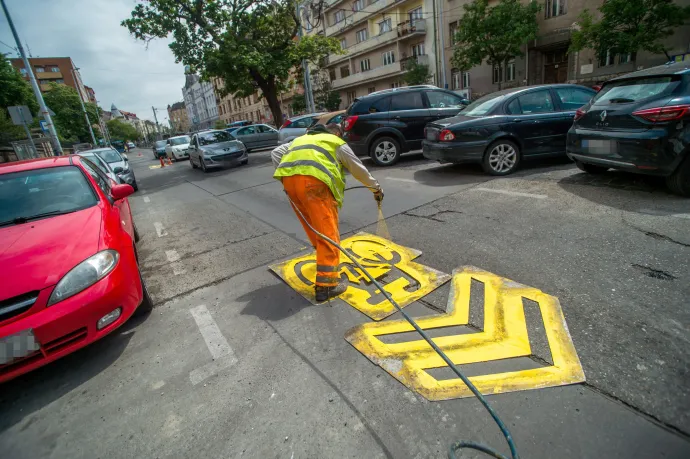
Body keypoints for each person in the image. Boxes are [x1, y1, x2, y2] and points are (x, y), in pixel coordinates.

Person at [272, 123, 384, 302]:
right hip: (315, 186)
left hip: (290, 184)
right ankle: (326, 286)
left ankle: (322, 257)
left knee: (313, 228)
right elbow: (358, 169)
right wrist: (376, 189)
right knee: (328, 233)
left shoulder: (300, 140)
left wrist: (289, 179)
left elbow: (276, 153)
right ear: (337, 133)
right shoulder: (335, 142)